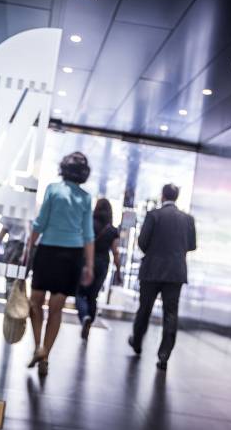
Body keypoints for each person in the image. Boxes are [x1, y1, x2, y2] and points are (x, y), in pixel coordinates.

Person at [24, 152, 95, 376]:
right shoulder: (85, 197)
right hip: (72, 257)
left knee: (35, 303)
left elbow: (40, 222)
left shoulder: (53, 189)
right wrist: (90, 265)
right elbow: (88, 235)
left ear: (63, 168)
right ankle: (45, 355)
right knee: (56, 309)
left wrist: (29, 247)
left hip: (47, 252)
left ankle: (39, 347)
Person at [128, 183, 196, 371]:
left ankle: (137, 342)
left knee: (145, 309)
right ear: (176, 197)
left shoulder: (154, 215)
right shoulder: (188, 219)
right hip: (175, 272)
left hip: (152, 270)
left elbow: (142, 242)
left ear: (163, 195)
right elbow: (192, 245)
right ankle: (164, 355)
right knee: (170, 313)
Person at [75, 198, 121, 340]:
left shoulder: (88, 224)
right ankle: (89, 321)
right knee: (93, 296)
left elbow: (80, 242)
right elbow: (115, 252)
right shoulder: (112, 230)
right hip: (102, 264)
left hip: (86, 261)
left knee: (79, 293)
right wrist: (118, 270)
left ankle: (85, 316)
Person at [0, 216, 29, 298]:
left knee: (13, 276)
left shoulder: (14, 212)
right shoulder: (14, 212)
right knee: (14, 276)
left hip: (18, 245)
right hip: (19, 245)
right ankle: (11, 298)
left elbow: (4, 229)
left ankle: (11, 298)